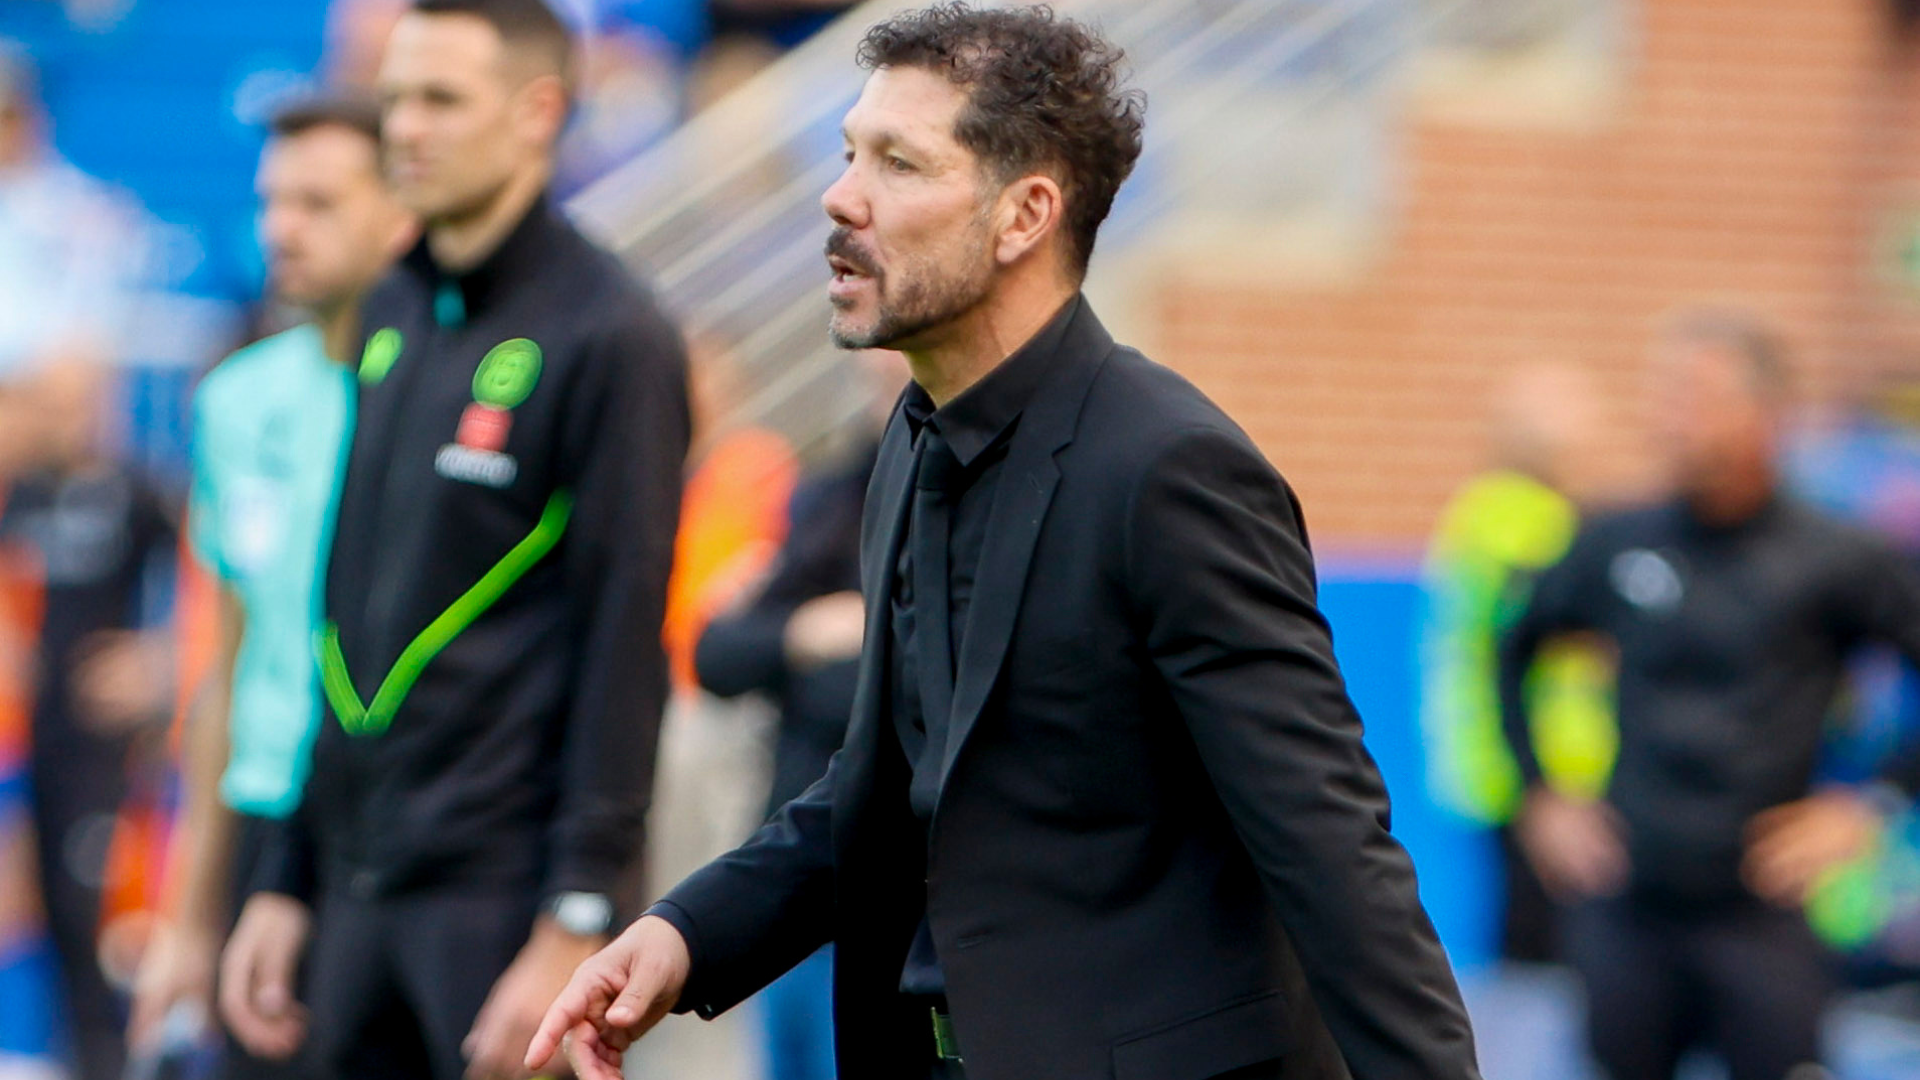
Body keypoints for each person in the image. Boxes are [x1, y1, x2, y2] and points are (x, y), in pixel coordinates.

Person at [532, 6, 1480, 1080]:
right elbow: (884, 787)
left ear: (1025, 214)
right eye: (848, 154)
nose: (841, 196)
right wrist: (684, 935)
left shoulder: (1171, 469)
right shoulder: (911, 441)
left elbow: (1329, 846)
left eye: (898, 163)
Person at [217, 3, 691, 1080]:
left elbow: (626, 642)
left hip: (499, 903)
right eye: (394, 99)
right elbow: (342, 608)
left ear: (537, 113)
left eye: (440, 100)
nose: (405, 129)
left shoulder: (613, 335)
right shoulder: (388, 305)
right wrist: (287, 876)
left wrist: (577, 915)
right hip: (353, 886)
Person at [1497, 310, 1920, 1080]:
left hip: (1762, 911)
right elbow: (1511, 647)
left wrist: (1872, 806)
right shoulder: (1616, 541)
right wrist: (1541, 795)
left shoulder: (1838, 557)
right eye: (1663, 394)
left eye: (1695, 395)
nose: (1671, 417)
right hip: (1629, 906)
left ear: (1766, 413)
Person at [124, 94, 416, 1077]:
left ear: (401, 212)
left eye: (318, 203)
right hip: (262, 825)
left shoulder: (445, 398)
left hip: (400, 836)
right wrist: (186, 917)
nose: (282, 229)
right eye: (271, 201)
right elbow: (225, 664)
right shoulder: (235, 399)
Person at [692, 352, 903, 1080]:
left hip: (894, 889)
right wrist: (806, 634)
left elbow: (886, 694)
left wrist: (805, 658)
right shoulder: (830, 498)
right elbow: (718, 652)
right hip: (798, 876)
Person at [1420, 361, 1617, 964]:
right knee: (1547, 946)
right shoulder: (1535, 523)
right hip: (1544, 767)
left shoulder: (1478, 512)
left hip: (1492, 762)